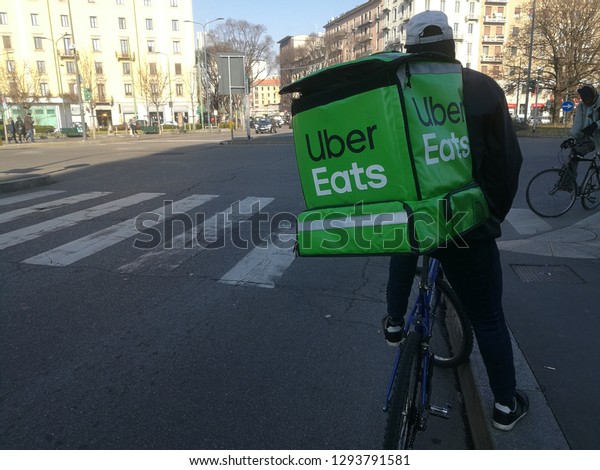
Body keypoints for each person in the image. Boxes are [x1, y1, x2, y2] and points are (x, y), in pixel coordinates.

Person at [382, 11, 527, 432]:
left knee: (407, 242)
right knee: (487, 317)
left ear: (409, 49)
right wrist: (490, 216)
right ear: (452, 47)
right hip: (466, 225)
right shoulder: (482, 88)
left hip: (411, 216)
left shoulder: (391, 90)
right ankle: (504, 406)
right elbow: (505, 165)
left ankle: (394, 323)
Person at [560, 85, 600, 178]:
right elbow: (578, 124)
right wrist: (571, 138)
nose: (587, 102)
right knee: (574, 155)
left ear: (593, 96)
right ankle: (569, 184)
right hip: (589, 137)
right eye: (584, 99)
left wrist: (596, 125)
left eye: (589, 99)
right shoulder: (582, 106)